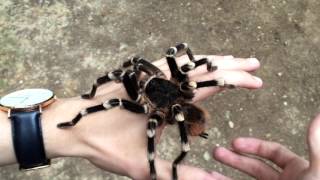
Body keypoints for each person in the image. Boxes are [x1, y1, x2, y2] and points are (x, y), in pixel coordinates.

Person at [0, 55, 317, 180]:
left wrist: (85, 106)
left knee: (122, 107)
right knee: (142, 73)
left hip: (175, 110)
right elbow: (164, 60)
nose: (137, 76)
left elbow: (125, 95)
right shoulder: (181, 85)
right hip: (177, 102)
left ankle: (168, 160)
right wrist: (196, 62)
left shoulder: (151, 101)